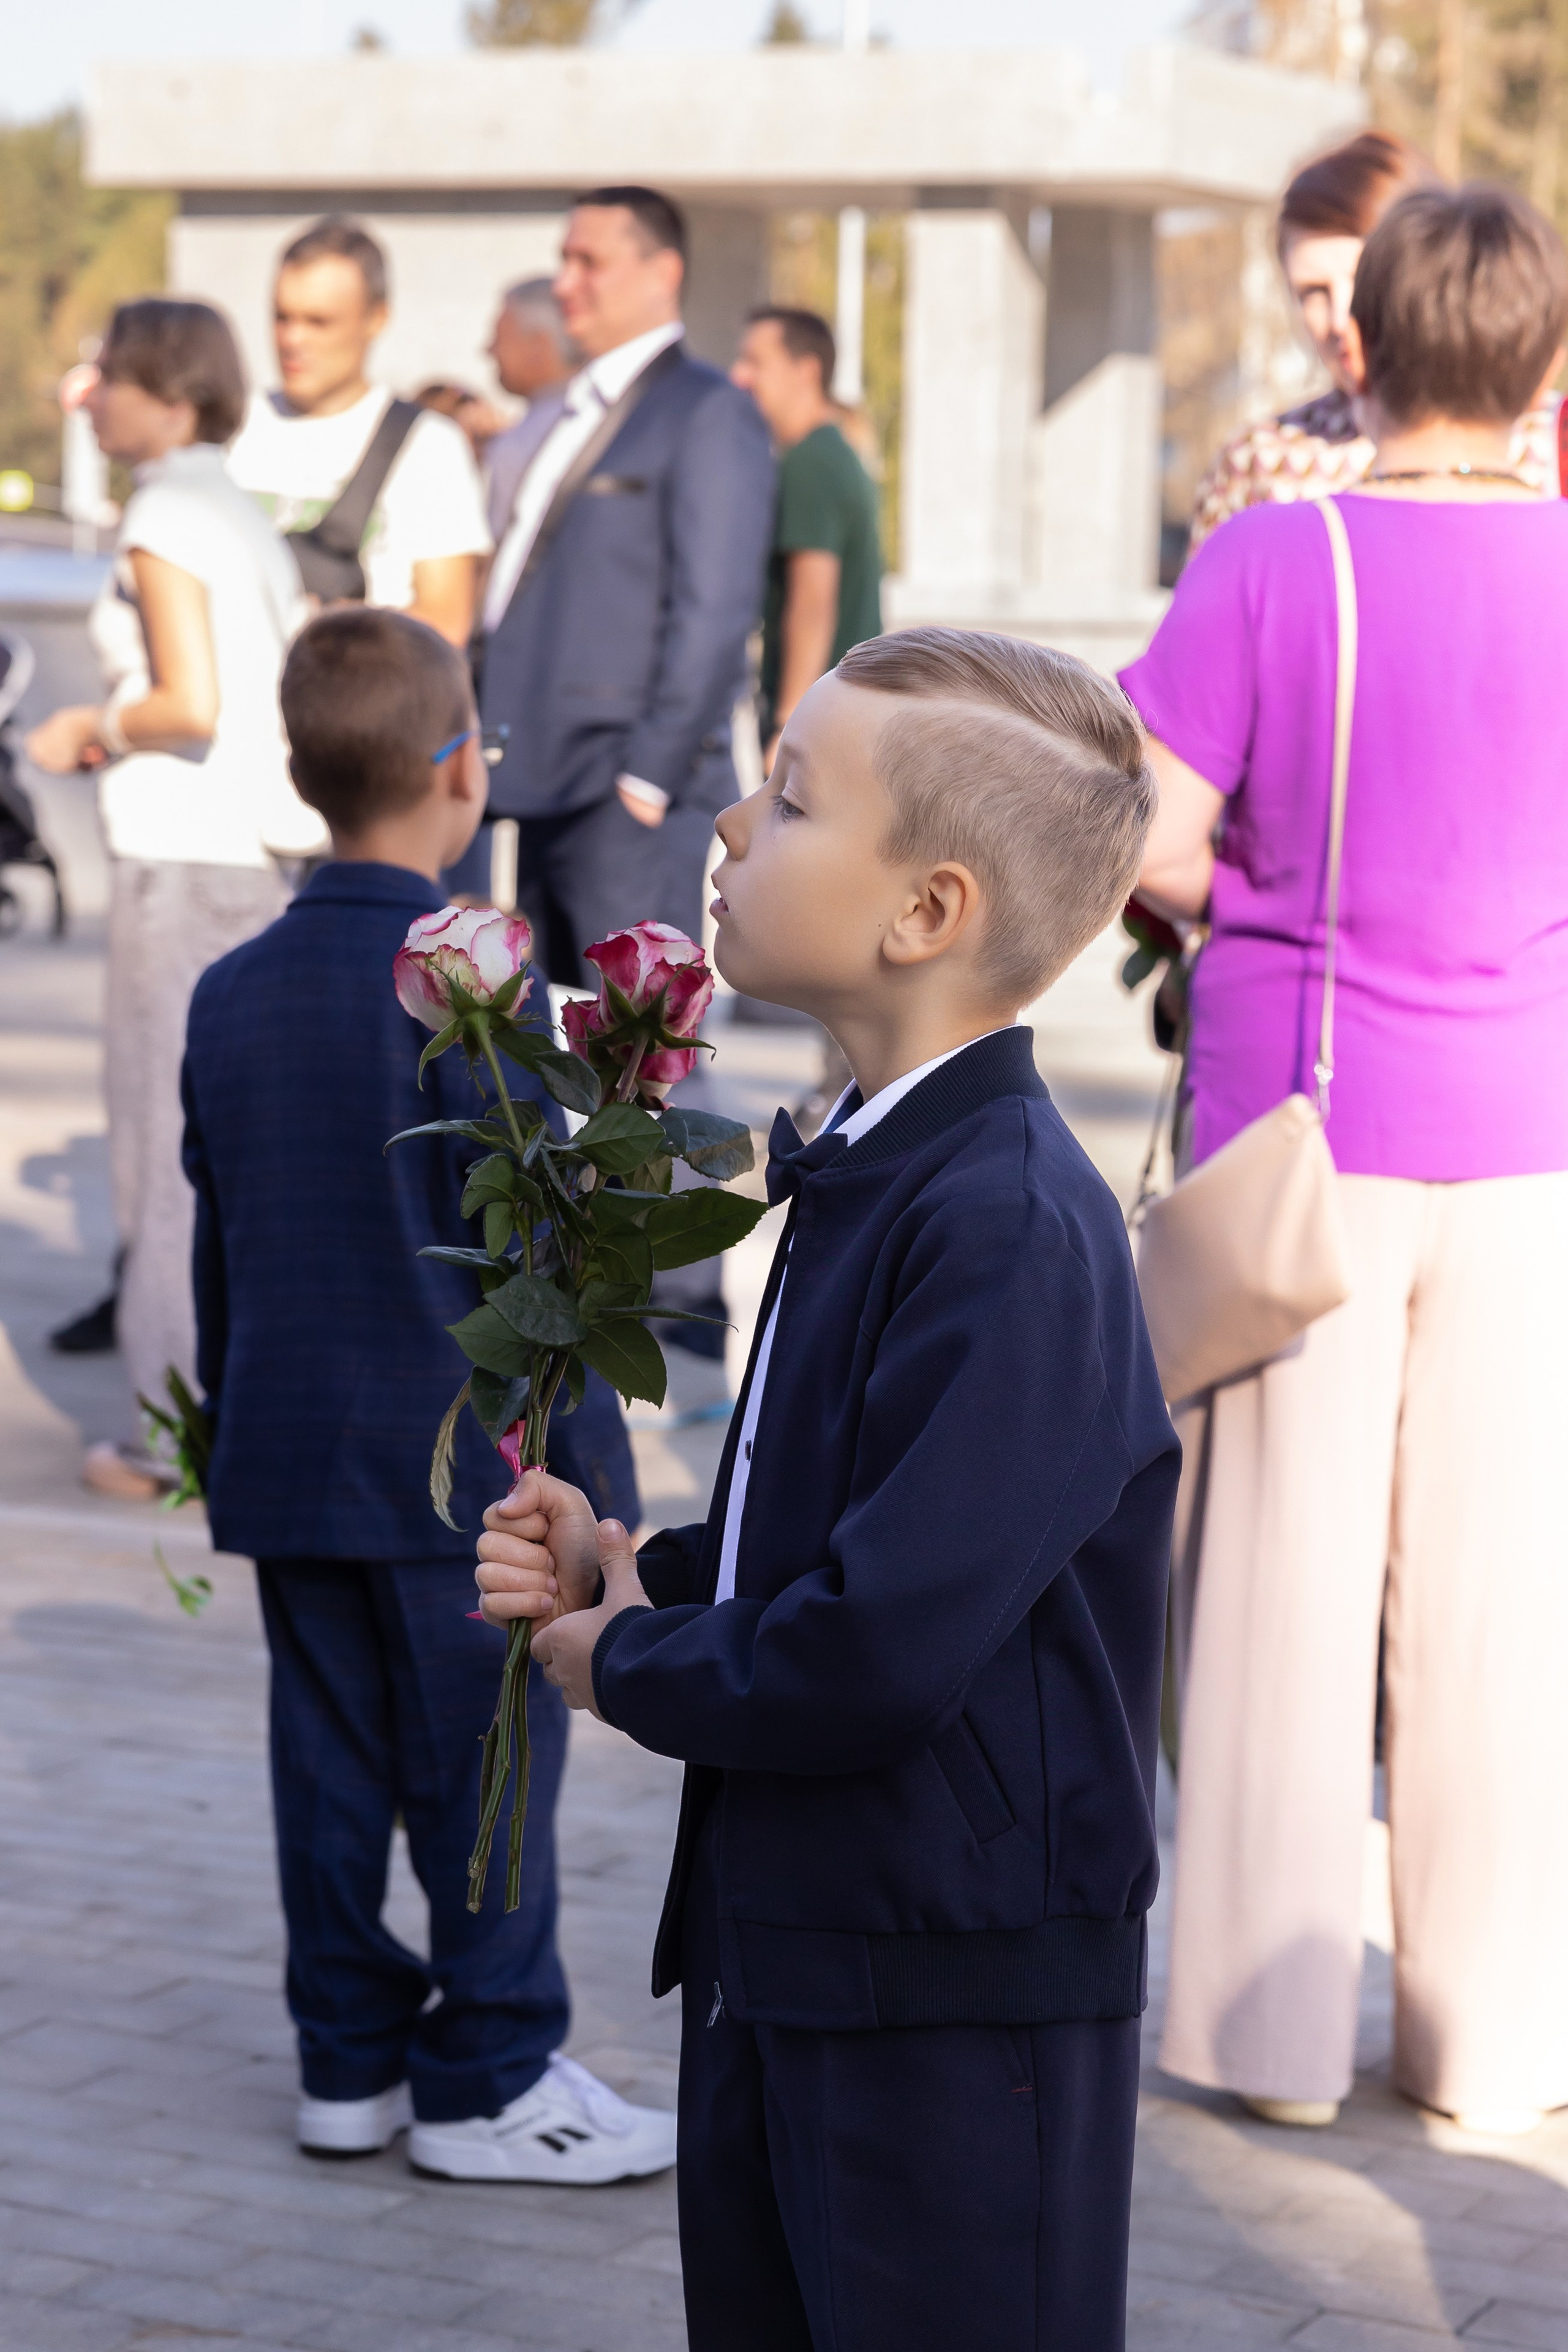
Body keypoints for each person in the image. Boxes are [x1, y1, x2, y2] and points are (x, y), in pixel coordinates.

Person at [473, 628, 1178, 2349]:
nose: (724, 824)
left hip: (945, 1998)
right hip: (813, 1941)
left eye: (788, 800)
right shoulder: (889, 1156)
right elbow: (850, 1527)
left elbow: (880, 1643)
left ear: (923, 913)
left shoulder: (1005, 1219)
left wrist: (620, 1667)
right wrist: (652, 1576)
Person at [1122, 184, 1568, 2136]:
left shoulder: (1269, 562)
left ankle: (1261, 2029)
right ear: (1544, 360)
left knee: (1281, 1592)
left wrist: (1256, 897)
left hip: (1307, 1132)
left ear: (1359, 344)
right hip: (1536, 1126)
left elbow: (1142, 838)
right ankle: (1494, 2034)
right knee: (1497, 1601)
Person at [180, 603, 671, 2184]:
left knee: (320, 1763)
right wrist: (596, 1491)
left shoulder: (229, 991)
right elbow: (545, 1276)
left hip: (283, 1447)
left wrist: (217, 1431)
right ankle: (486, 2070)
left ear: (298, 767)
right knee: (485, 1770)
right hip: (461, 1479)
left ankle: (345, 2061)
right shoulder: (476, 999)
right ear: (460, 770)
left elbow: (220, 1236)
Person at [26, 297, 325, 1501]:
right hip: (243, 864)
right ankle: (235, 1409)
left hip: (180, 862)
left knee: (163, 1151)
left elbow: (186, 703)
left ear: (170, 388)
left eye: (113, 372)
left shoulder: (164, 510)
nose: (92, 388)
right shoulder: (238, 512)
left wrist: (85, 725)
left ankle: (170, 1436)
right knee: (226, 1150)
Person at [478, 184, 774, 976]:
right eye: (563, 260)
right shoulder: (575, 410)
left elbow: (715, 612)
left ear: (661, 272)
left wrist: (646, 781)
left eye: (589, 261)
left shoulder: (707, 412)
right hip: (547, 786)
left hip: (627, 802)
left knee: (632, 1068)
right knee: (558, 1059)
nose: (566, 282)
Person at [1188, 131, 1561, 554]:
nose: (1341, 318)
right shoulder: (1258, 464)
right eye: (1313, 292)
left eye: (1363, 279)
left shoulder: (1553, 437)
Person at [228, 216, 489, 647]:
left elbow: (446, 625)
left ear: (376, 319)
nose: (293, 340)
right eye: (282, 318)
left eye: (319, 322)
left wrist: (326, 627)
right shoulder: (228, 429)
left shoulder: (429, 447)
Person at [730, 304, 883, 768]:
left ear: (806, 370)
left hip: (819, 723)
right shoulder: (829, 450)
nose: (740, 376)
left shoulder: (811, 463)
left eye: (756, 362)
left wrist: (788, 724)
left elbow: (812, 602)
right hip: (840, 714)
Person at [480, 276, 578, 550]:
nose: (488, 350)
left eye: (499, 337)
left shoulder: (522, 442)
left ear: (538, 346)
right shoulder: (619, 413)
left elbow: (500, 554)